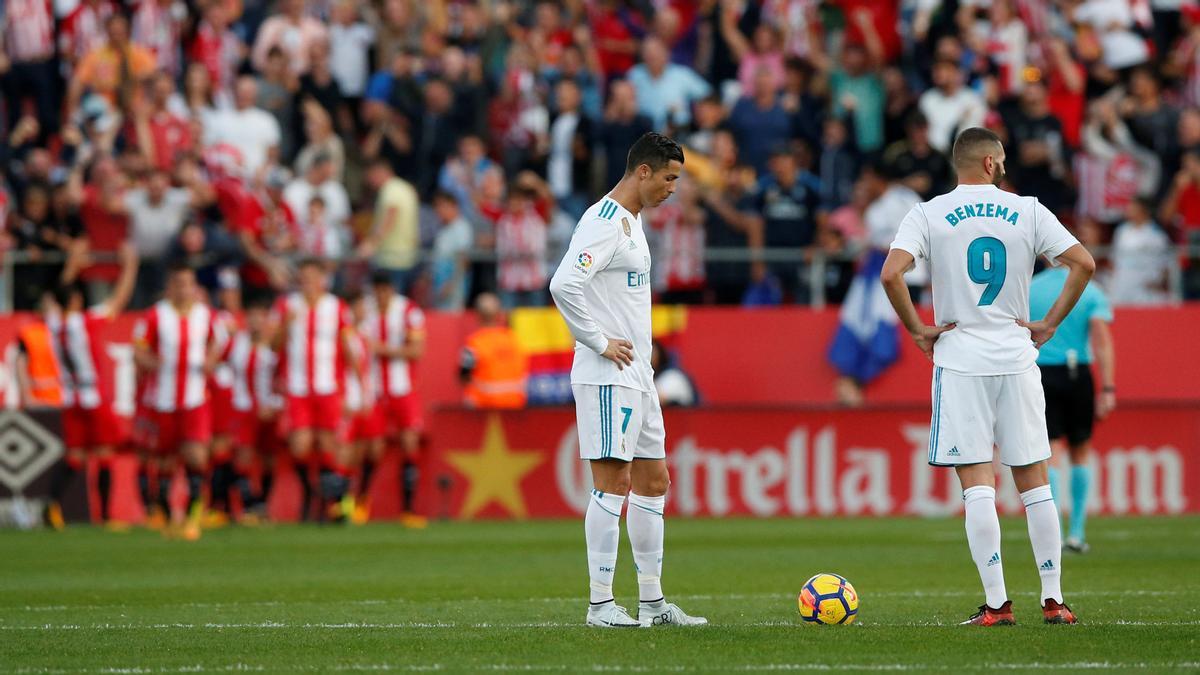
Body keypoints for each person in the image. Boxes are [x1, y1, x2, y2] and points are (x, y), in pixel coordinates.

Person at [880, 127, 1095, 626]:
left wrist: (917, 330)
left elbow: (892, 273)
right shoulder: (1030, 210)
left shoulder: (929, 212)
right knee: (1034, 482)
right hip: (1017, 357)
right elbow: (1082, 263)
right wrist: (1050, 324)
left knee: (977, 483)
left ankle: (998, 604)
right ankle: (1054, 599)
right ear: (993, 164)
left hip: (959, 359)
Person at [549, 132, 706, 628]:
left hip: (638, 373)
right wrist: (598, 341)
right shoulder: (603, 221)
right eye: (669, 177)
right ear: (643, 171)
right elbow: (562, 284)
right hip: (606, 373)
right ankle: (599, 604)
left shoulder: (633, 223)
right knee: (612, 482)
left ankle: (654, 604)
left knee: (654, 479)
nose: (673, 188)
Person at [32, 242, 137, 530]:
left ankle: (51, 506)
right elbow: (119, 298)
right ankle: (105, 516)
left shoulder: (54, 324)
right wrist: (130, 266)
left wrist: (73, 261)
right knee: (104, 456)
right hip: (94, 397)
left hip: (70, 398)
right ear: (77, 299)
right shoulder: (87, 321)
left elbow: (59, 294)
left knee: (75, 458)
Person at [1030, 259, 1116, 555]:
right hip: (1078, 370)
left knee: (1050, 453)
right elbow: (1101, 340)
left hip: (1040, 372)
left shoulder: (1031, 288)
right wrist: (1107, 387)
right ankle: (1077, 532)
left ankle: (1052, 533)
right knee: (1081, 451)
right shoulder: (1090, 290)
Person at [133, 263, 225, 541]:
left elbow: (219, 342)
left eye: (189, 284)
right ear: (169, 287)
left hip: (195, 398)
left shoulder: (206, 315)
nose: (184, 289)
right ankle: (167, 515)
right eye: (179, 284)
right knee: (164, 461)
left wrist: (211, 360)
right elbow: (139, 349)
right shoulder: (154, 316)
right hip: (161, 399)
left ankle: (193, 513)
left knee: (196, 455)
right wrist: (149, 361)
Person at [273, 258, 361, 521]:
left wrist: (356, 386)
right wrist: (285, 326)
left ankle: (329, 501)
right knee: (300, 445)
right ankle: (311, 490)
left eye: (313, 277)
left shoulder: (337, 307)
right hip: (298, 387)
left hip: (329, 386)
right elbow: (272, 346)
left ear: (323, 279)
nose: (308, 282)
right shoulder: (287, 306)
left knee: (328, 443)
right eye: (304, 277)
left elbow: (349, 347)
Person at [360, 272, 427, 527]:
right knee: (372, 447)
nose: (381, 296)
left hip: (403, 390)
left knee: (410, 443)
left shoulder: (409, 311)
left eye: (385, 290)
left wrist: (382, 349)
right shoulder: (364, 312)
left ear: (391, 290)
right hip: (374, 391)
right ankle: (361, 503)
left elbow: (417, 350)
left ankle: (408, 509)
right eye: (377, 290)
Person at [460, 292, 529, 410]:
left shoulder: (474, 344)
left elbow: (464, 375)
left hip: (484, 406)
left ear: (478, 315)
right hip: (515, 404)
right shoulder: (513, 339)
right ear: (498, 314)